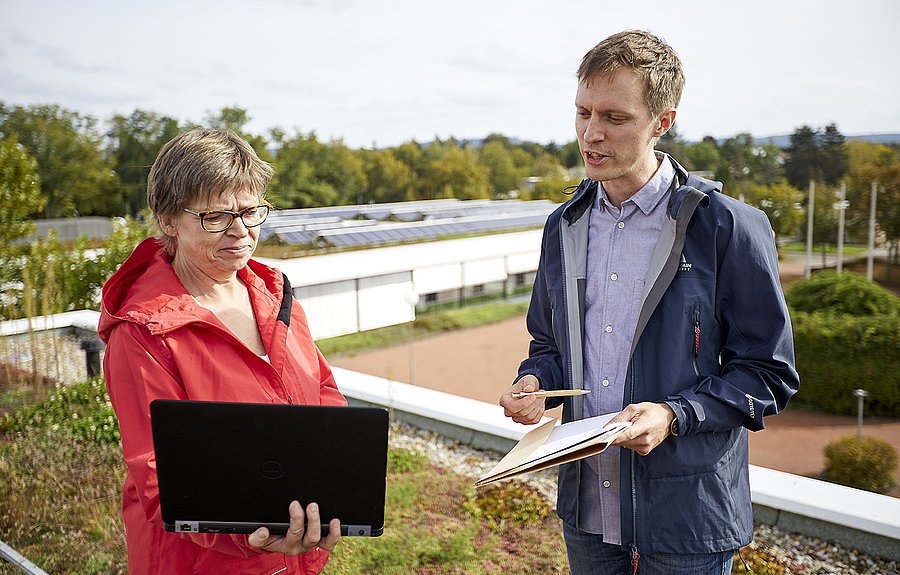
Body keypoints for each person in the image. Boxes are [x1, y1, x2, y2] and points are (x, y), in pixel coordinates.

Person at [499, 30, 799, 575]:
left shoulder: (727, 227)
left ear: (663, 121)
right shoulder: (561, 226)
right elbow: (548, 343)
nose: (591, 133)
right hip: (588, 511)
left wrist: (674, 415)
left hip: (688, 519)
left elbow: (767, 373)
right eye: (583, 112)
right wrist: (536, 382)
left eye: (614, 117)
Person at [99, 128, 347, 575]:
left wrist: (337, 482)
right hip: (202, 561)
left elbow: (322, 390)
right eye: (216, 216)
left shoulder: (272, 294)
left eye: (251, 211)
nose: (240, 230)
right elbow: (160, 474)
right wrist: (247, 531)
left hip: (291, 550)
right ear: (168, 221)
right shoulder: (143, 334)